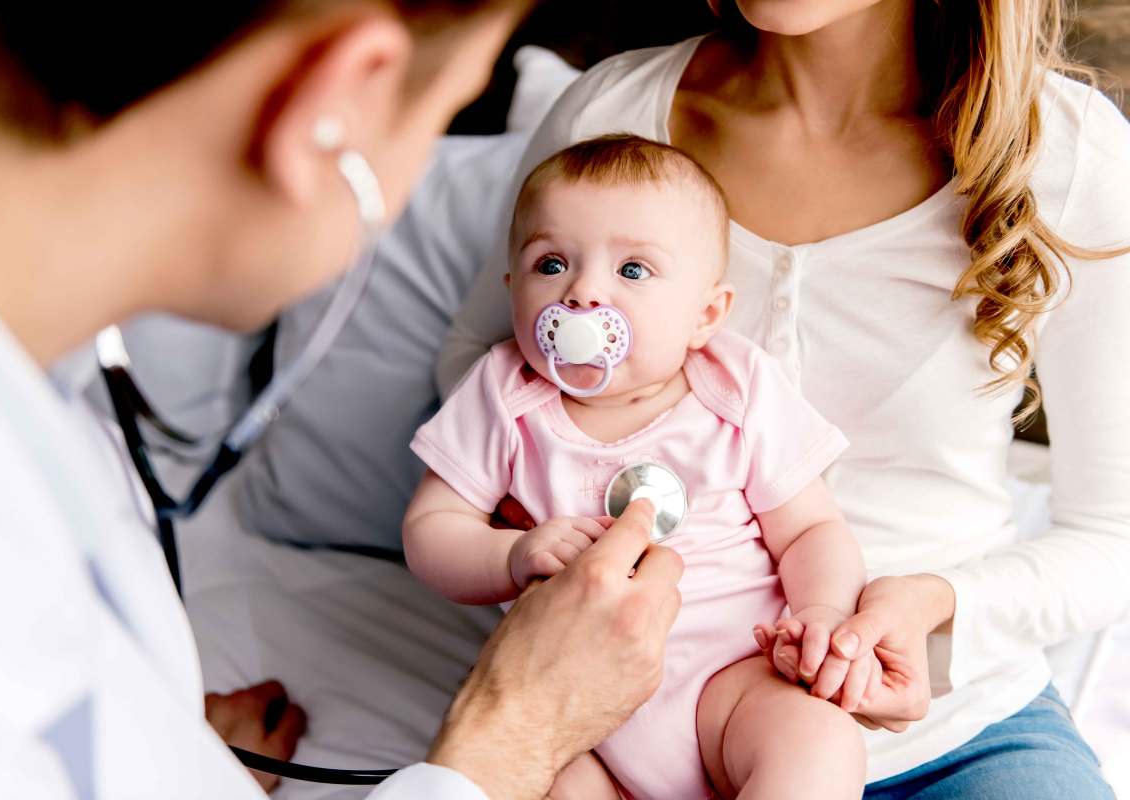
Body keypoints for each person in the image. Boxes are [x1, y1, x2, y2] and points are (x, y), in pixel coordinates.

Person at [0, 2, 685, 798]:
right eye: (442, 112)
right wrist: (513, 733)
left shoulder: (42, 408)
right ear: (334, 106)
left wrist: (168, 763)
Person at [438, 1, 1129, 797]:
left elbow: (1114, 535)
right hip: (611, 727)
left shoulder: (1066, 153)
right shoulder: (614, 116)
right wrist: (546, 545)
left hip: (953, 733)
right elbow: (476, 368)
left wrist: (933, 613)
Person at [404, 134, 871, 799]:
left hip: (733, 680)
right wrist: (510, 555)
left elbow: (809, 531)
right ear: (513, 292)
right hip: (570, 708)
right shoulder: (505, 395)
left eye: (632, 271)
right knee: (545, 785)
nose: (583, 294)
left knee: (818, 740)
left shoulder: (736, 390)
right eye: (551, 264)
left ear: (705, 315)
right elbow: (432, 528)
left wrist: (822, 610)